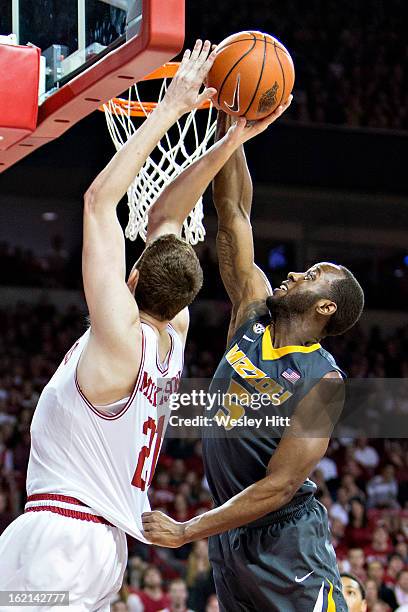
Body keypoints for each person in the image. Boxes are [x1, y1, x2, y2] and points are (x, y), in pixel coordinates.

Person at [0, 40, 218, 609]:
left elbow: (100, 202)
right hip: (97, 543)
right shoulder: (174, 335)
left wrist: (170, 111)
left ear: (134, 280)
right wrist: (234, 137)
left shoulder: (120, 336)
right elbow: (167, 218)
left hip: (63, 535)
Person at [142, 109, 365, 611]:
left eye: (310, 276)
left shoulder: (325, 379)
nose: (294, 275)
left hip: (286, 541)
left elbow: (280, 486)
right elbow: (235, 213)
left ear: (326, 307)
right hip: (231, 538)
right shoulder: (252, 312)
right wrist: (233, 130)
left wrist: (186, 529)